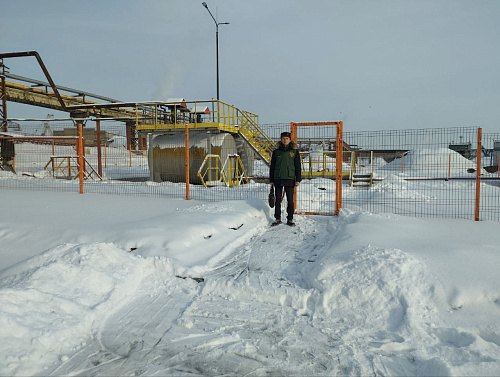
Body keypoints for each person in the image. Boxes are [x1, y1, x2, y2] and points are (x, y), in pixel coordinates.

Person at [269, 131, 301, 226]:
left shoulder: (294, 151)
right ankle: (277, 218)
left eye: (287, 138)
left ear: (290, 140)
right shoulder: (276, 152)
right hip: (278, 178)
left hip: (290, 178)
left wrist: (298, 179)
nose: (285, 140)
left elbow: (297, 166)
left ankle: (290, 219)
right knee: (278, 200)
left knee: (290, 201)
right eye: (283, 138)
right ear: (281, 139)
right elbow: (272, 166)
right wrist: (271, 180)